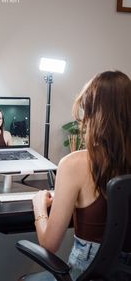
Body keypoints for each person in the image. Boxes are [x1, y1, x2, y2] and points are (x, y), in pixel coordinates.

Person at [28, 70, 131, 280]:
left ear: (94, 114)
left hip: (88, 274)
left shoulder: (75, 164)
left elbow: (50, 244)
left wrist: (39, 204)